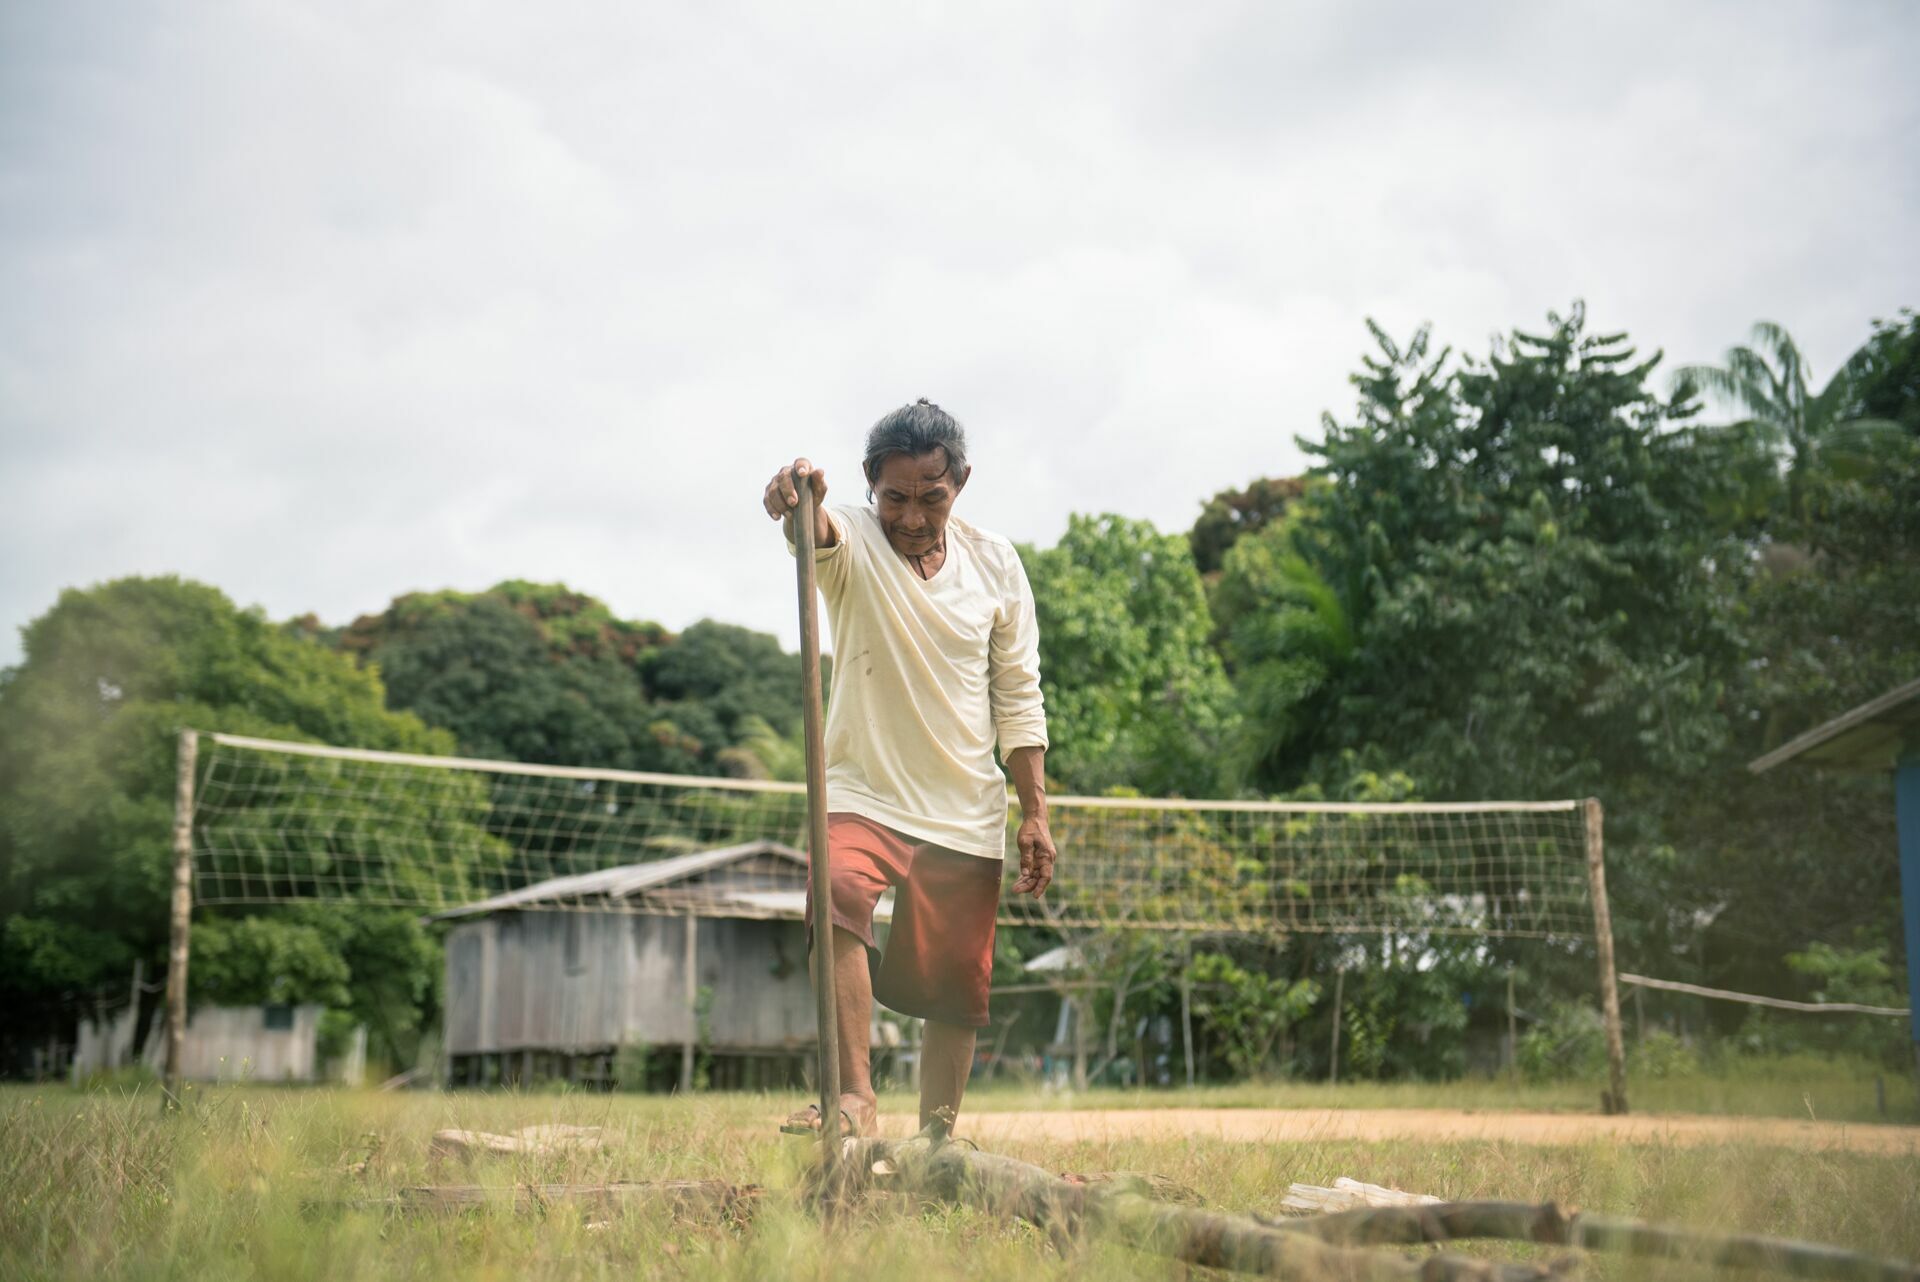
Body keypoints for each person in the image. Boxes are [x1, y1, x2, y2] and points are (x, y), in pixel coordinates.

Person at [764, 398, 1055, 1138]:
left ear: (960, 483)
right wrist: (794, 498)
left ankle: (936, 1145)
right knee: (832, 893)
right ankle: (855, 1099)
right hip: (863, 791)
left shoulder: (996, 564)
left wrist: (1036, 812)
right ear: (870, 486)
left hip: (964, 805)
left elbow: (1019, 691)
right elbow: (814, 531)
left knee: (954, 988)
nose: (913, 517)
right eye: (895, 497)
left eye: (932, 498)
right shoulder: (853, 538)